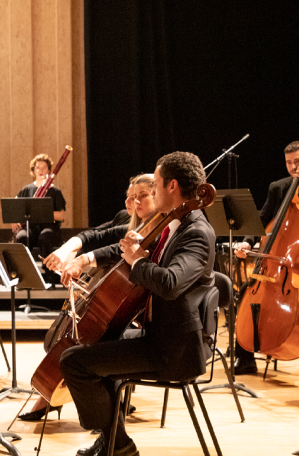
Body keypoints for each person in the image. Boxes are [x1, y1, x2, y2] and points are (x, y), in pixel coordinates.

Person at [60, 151, 215, 456]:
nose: (153, 191)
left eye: (155, 184)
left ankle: (118, 446)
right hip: (159, 335)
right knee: (97, 343)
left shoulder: (196, 232)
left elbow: (170, 283)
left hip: (174, 350)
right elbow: (128, 250)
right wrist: (112, 255)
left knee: (73, 362)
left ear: (172, 186)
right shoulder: (174, 223)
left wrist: (138, 261)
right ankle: (113, 442)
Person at [20, 174, 156, 422]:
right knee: (84, 339)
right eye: (130, 197)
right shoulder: (130, 222)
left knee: (92, 345)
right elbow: (96, 236)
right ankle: (103, 410)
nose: (132, 202)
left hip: (145, 314)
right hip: (122, 304)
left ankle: (106, 412)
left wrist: (83, 259)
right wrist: (69, 251)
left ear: (157, 195)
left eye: (140, 196)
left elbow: (115, 249)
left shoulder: (155, 229)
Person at [232, 140, 299, 374]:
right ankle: (245, 357)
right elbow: (262, 219)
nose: (293, 167)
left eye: (298, 162)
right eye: (288, 163)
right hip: (284, 261)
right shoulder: (278, 187)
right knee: (246, 289)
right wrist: (247, 241)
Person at [11, 153, 66, 256]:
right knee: (21, 237)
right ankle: (24, 265)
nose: (41, 170)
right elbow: (15, 205)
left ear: (49, 171)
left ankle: (47, 265)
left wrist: (41, 212)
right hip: (31, 228)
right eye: (38, 167)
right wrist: (14, 219)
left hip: (49, 227)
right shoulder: (26, 190)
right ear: (33, 171)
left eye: (44, 167)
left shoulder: (55, 192)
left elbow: (61, 216)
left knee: (45, 237)